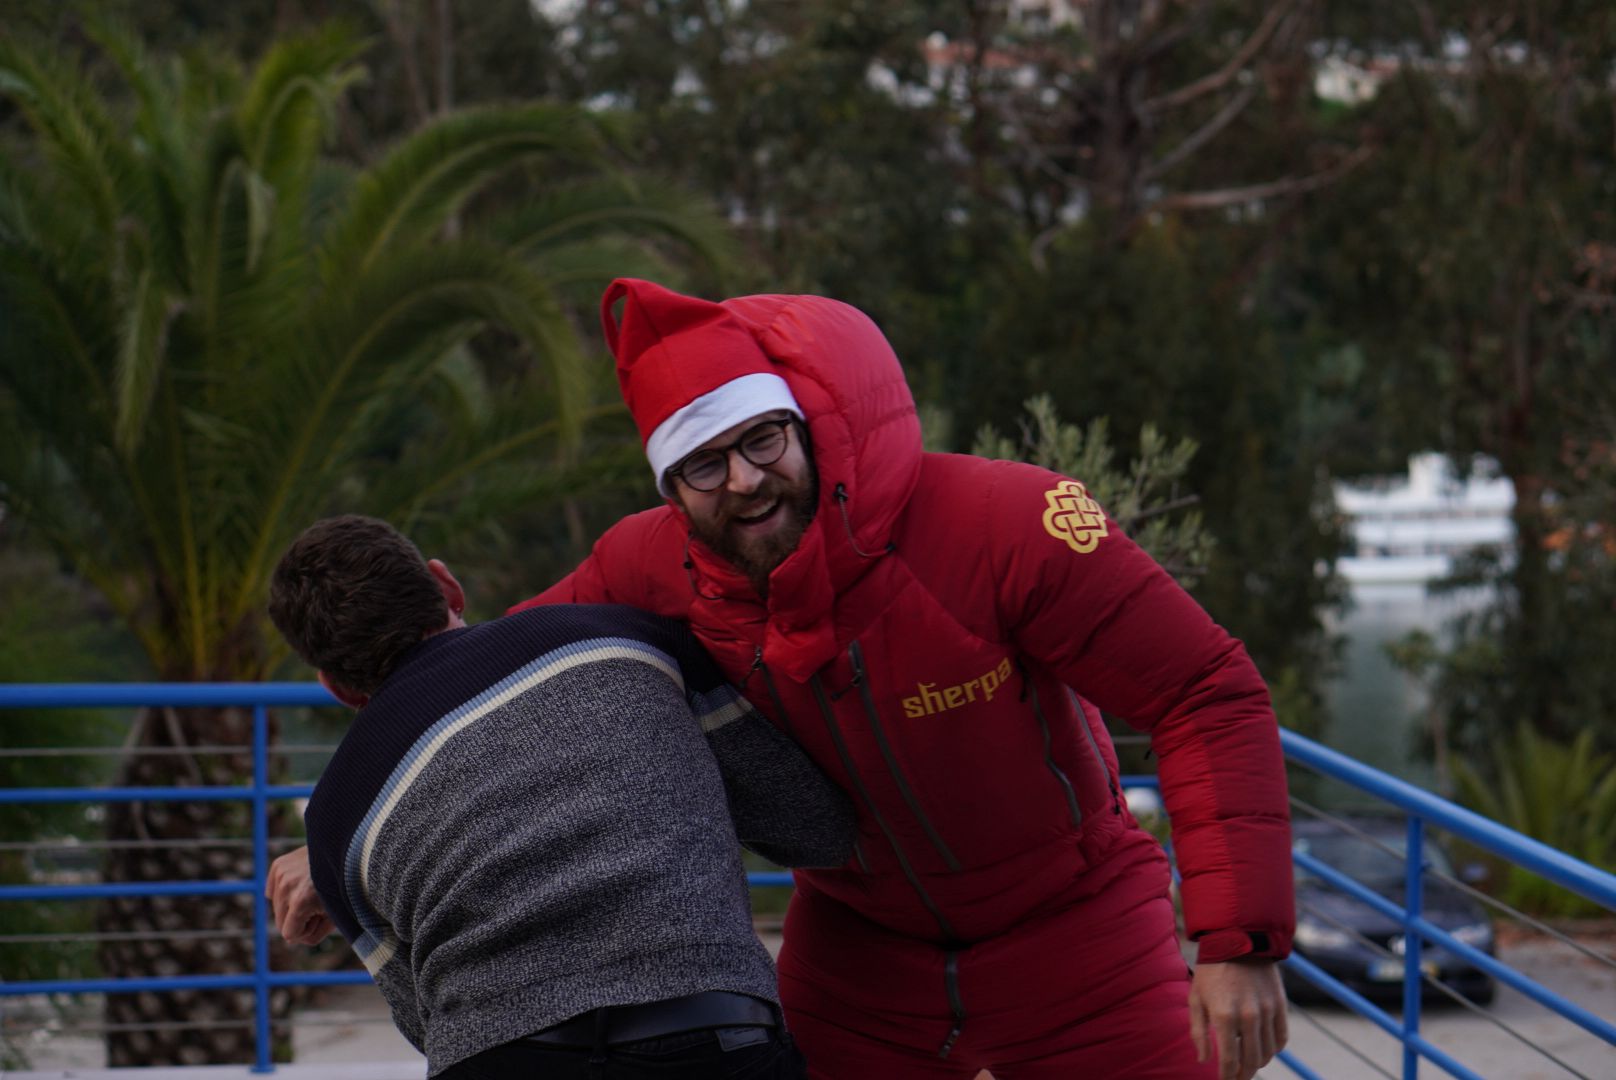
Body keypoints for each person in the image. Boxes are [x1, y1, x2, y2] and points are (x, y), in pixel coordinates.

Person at [504, 279, 1298, 1080]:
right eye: (704, 464)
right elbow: (505, 674)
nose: (743, 479)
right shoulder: (649, 567)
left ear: (808, 426)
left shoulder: (1003, 521)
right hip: (858, 960)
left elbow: (1202, 689)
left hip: (1082, 932)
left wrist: (1240, 944)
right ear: (673, 494)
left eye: (763, 440)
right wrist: (433, 634)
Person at [265, 514, 854, 1079]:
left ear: (336, 687)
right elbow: (812, 826)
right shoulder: (629, 638)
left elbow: (427, 1019)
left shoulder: (335, 819)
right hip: (710, 1027)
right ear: (447, 586)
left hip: (495, 1058)